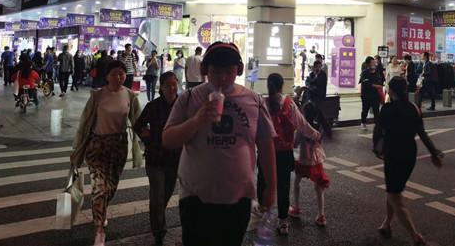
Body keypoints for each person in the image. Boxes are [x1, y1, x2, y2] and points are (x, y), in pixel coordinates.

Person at [162, 42, 276, 246]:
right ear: (205, 70)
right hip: (196, 199)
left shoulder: (254, 100)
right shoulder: (189, 98)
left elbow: (266, 145)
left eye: (229, 72)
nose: (222, 78)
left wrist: (271, 187)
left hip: (239, 198)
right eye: (216, 72)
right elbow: (168, 140)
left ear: (238, 70)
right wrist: (197, 120)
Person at [71, 60, 143, 246]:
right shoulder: (97, 96)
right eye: (114, 74)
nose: (118, 77)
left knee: (111, 186)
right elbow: (84, 122)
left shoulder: (130, 95)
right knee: (101, 188)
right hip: (97, 145)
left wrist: (149, 140)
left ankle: (100, 210)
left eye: (121, 73)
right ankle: (99, 230)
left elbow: (138, 121)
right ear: (107, 76)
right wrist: (76, 149)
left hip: (118, 146)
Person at [377, 77, 443, 244]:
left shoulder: (387, 109)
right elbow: (422, 133)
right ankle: (387, 224)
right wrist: (433, 152)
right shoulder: (414, 108)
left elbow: (378, 131)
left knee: (395, 196)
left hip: (393, 153)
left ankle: (415, 236)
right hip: (409, 153)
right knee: (394, 190)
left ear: (391, 91)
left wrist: (377, 148)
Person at [258, 73, 321, 235]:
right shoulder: (288, 103)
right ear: (282, 85)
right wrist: (316, 135)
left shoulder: (262, 103)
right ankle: (283, 222)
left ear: (268, 86)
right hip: (284, 152)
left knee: (263, 183)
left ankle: (264, 215)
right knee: (283, 186)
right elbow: (302, 125)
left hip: (266, 152)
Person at [134, 71, 181, 245]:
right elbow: (138, 125)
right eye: (168, 85)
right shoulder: (153, 106)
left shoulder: (182, 105)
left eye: (174, 84)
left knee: (166, 193)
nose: (172, 88)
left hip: (175, 159)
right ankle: (159, 232)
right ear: (161, 87)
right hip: (155, 158)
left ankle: (158, 217)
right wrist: (149, 139)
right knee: (157, 197)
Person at [289, 99, 330, 227]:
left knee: (296, 183)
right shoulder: (318, 128)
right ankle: (321, 215)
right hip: (316, 161)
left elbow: (295, 143)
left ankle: (296, 208)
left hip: (303, 161)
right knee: (319, 187)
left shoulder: (302, 129)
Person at [359, 56, 385, 131]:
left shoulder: (377, 72)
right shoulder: (364, 73)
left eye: (374, 62)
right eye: (372, 62)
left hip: (375, 94)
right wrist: (376, 85)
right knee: (365, 109)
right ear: (368, 64)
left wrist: (377, 85)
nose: (373, 64)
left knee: (376, 110)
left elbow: (380, 81)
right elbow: (367, 84)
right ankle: (363, 123)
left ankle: (377, 125)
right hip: (366, 94)